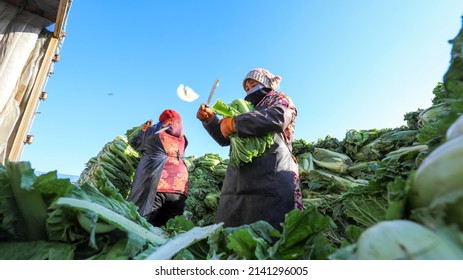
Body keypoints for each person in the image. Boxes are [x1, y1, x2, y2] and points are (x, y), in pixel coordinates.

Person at [196, 68, 303, 231]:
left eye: (253, 84)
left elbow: (279, 117)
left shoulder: (279, 98)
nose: (249, 89)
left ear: (267, 83)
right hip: (239, 181)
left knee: (268, 235)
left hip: (272, 174)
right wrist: (210, 121)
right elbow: (224, 139)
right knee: (232, 235)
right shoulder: (245, 108)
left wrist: (236, 122)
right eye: (246, 87)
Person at [127, 109, 189, 227]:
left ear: (162, 120)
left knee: (141, 224)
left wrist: (142, 130)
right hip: (179, 188)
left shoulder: (153, 131)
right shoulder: (183, 138)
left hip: (158, 183)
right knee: (168, 229)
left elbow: (135, 143)